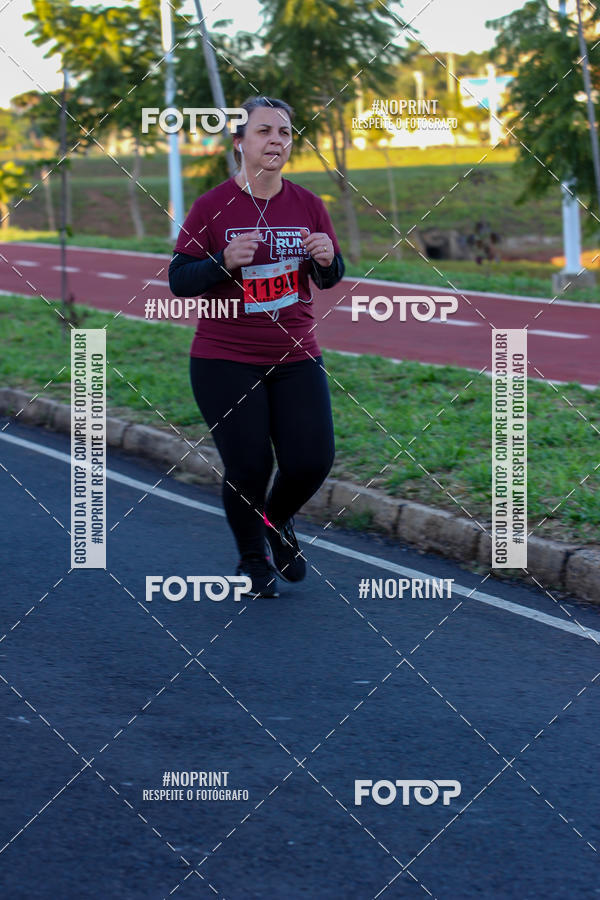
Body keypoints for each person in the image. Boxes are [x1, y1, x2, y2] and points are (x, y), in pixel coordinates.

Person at [169, 96, 345, 598]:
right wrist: (223, 261)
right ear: (240, 143)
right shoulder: (211, 207)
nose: (277, 141)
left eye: (285, 133)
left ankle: (277, 522)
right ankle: (252, 559)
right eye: (265, 131)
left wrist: (329, 260)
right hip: (224, 358)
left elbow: (329, 277)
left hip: (296, 353)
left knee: (312, 459)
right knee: (249, 466)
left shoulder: (309, 204)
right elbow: (179, 279)